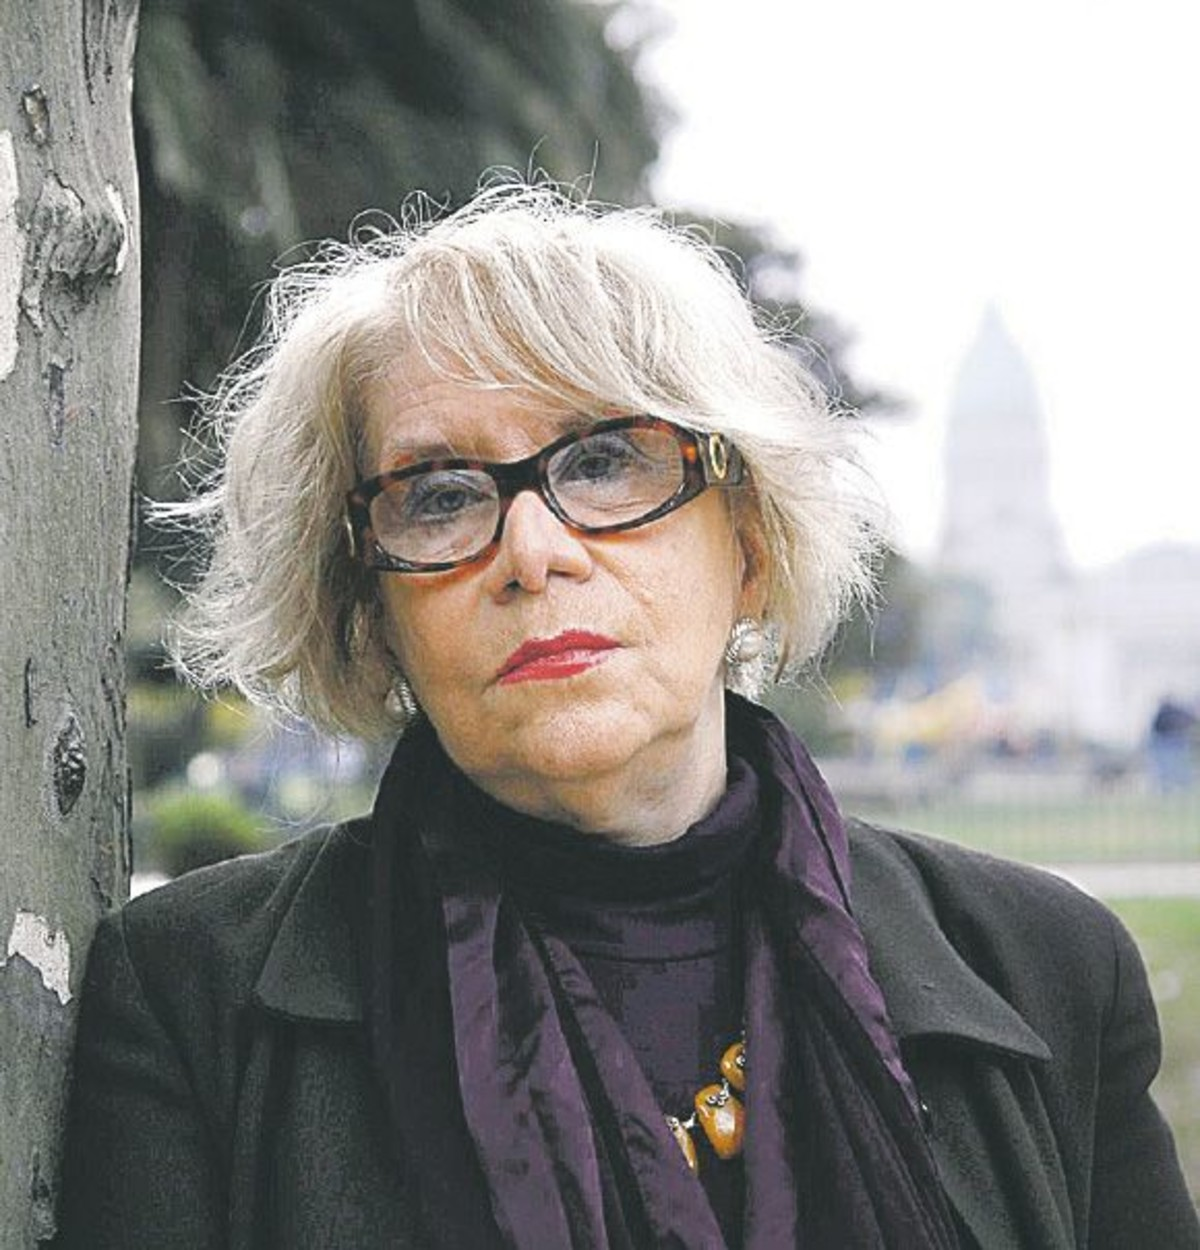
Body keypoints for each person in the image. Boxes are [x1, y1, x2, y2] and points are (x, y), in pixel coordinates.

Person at [54, 184, 1198, 1249]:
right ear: (368, 605)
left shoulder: (1047, 965)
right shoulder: (191, 996)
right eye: (440, 495)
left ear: (750, 543)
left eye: (605, 460)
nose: (534, 550)